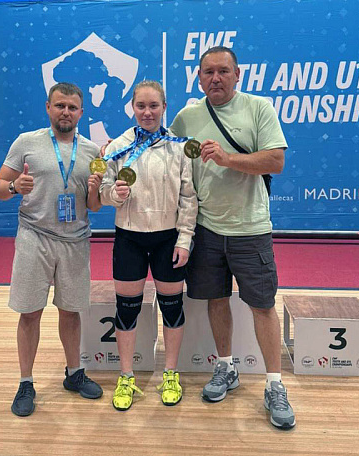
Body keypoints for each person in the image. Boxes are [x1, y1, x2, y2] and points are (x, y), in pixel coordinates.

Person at [170, 47, 296, 429]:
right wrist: (116, 154)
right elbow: (162, 154)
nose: (216, 78)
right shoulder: (186, 117)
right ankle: (226, 367)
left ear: (238, 74)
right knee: (216, 300)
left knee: (263, 306)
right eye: (208, 72)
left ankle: (274, 385)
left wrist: (228, 159)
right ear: (198, 77)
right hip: (206, 228)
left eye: (224, 71)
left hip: (251, 229)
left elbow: (276, 161)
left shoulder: (258, 108)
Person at [0, 82, 104, 417]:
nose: (65, 112)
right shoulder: (26, 143)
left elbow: (94, 206)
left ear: (81, 112)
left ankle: (74, 373)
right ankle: (25, 382)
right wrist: (14, 186)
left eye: (72, 107)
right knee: (30, 312)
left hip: (75, 241)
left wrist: (95, 189)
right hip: (34, 237)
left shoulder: (92, 151)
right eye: (59, 106)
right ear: (48, 107)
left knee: (71, 311)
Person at [99, 80, 198, 411]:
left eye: (153, 105)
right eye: (141, 105)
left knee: (172, 307)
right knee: (126, 310)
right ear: (132, 107)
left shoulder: (179, 148)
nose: (147, 112)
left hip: (168, 239)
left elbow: (188, 198)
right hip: (129, 238)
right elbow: (102, 192)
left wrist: (184, 239)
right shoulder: (118, 146)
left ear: (164, 107)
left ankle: (170, 373)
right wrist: (114, 195)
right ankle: (126, 376)